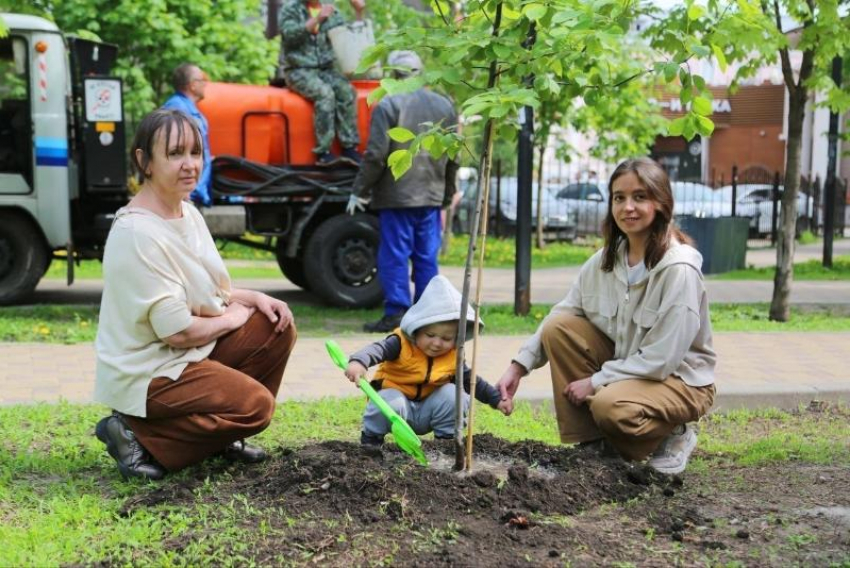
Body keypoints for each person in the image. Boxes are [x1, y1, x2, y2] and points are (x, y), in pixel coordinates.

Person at [93, 109, 298, 480]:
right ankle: (134, 433)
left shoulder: (187, 213)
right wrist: (235, 316)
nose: (189, 165)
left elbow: (204, 293)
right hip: (149, 369)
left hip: (185, 352)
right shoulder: (138, 233)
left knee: (276, 327)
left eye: (195, 152)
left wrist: (251, 298)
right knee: (256, 407)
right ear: (144, 161)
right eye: (174, 153)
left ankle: (221, 436)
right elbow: (178, 331)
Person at [496, 157, 716, 475]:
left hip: (680, 380)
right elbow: (563, 313)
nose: (628, 207)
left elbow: (661, 359)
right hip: (632, 370)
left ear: (661, 203)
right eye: (619, 197)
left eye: (640, 197)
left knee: (610, 406)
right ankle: (595, 448)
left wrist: (596, 381)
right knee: (559, 328)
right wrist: (518, 367)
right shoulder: (604, 262)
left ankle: (673, 434)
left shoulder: (678, 269)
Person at [348, 50, 459, 333]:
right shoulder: (444, 105)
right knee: (426, 257)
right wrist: (447, 194)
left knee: (395, 256)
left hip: (397, 197)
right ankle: (427, 316)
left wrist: (359, 190)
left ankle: (397, 313)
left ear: (393, 75)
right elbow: (453, 156)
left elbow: (375, 155)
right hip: (431, 196)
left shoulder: (388, 105)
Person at [343, 275, 511, 445]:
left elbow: (472, 382)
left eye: (446, 339)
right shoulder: (400, 343)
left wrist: (496, 400)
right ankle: (371, 442)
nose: (437, 343)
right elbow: (376, 350)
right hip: (396, 409)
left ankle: (445, 444)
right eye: (430, 335)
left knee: (454, 396)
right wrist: (359, 362)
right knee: (388, 400)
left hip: (429, 410)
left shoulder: (454, 355)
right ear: (416, 329)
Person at [278, 0, 364, 165]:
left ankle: (349, 148)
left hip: (326, 70)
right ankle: (323, 152)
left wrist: (359, 12)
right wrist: (317, 20)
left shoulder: (331, 10)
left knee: (347, 91)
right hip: (299, 69)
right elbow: (289, 36)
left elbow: (349, 38)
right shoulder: (291, 9)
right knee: (325, 95)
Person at [162, 63, 213, 206]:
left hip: (194, 192)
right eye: (202, 79)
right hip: (186, 195)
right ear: (192, 85)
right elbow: (172, 151)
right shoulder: (177, 108)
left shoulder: (188, 108)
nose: (205, 83)